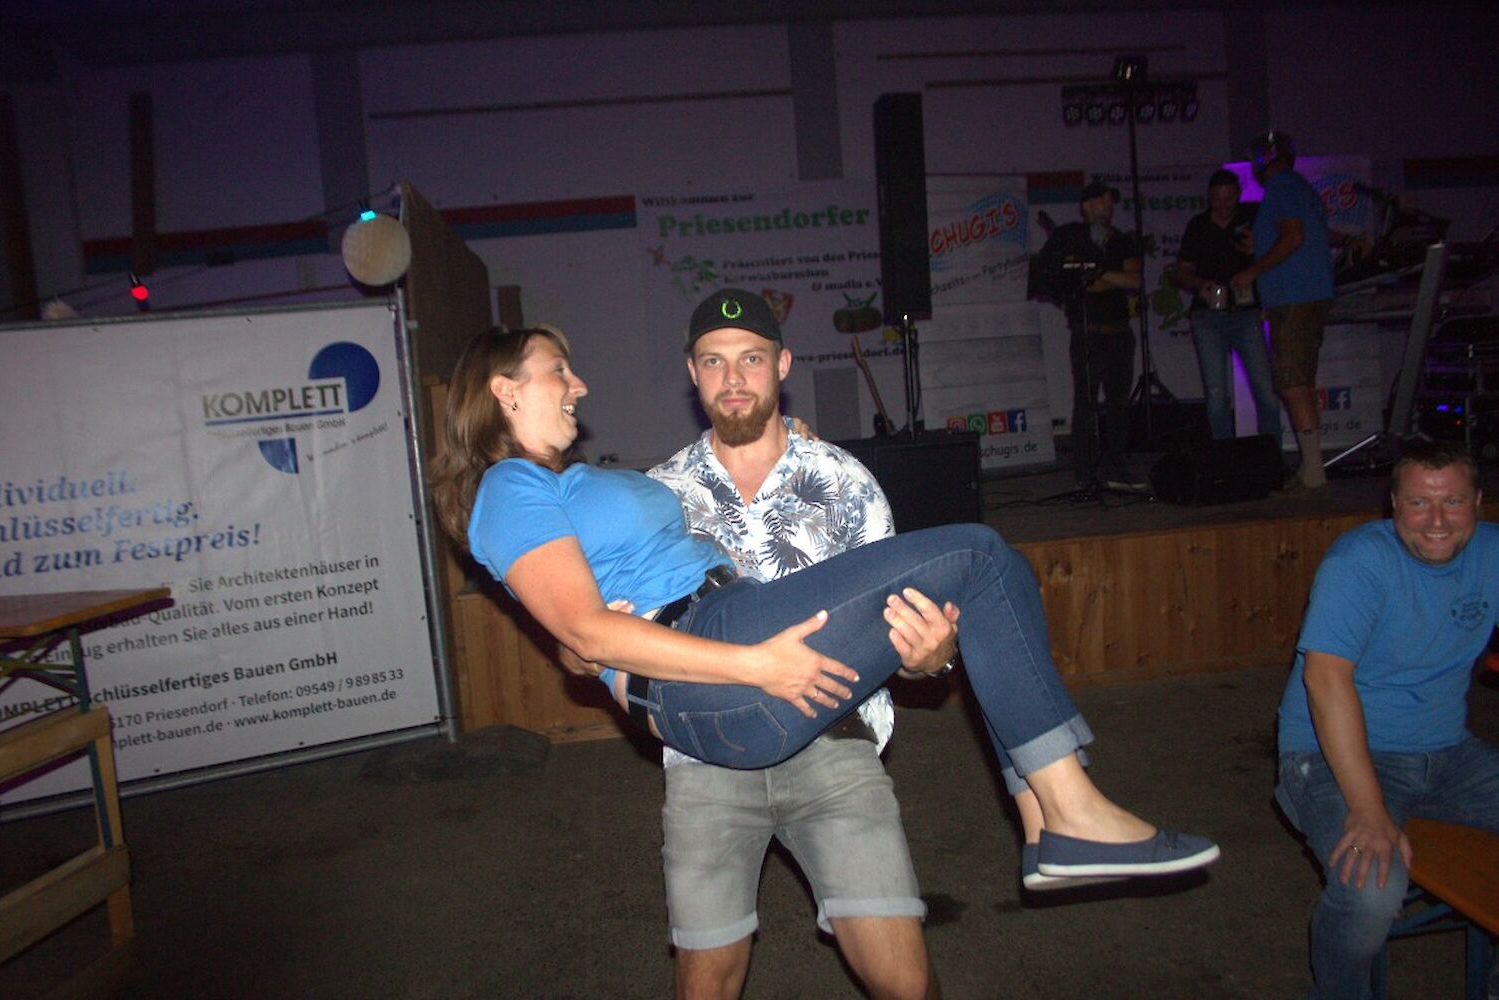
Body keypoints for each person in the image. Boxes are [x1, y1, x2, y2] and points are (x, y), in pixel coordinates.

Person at [428, 322, 1221, 890]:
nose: (578, 385)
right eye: (559, 371)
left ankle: (1047, 822)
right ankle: (1069, 815)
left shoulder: (567, 482)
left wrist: (788, 442)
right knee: (978, 554)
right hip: (717, 658)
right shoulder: (509, 486)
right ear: (505, 390)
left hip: (732, 634)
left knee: (992, 569)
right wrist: (753, 665)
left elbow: (590, 610)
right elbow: (583, 631)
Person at [634, 288, 952, 998]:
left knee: (905, 980)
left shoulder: (844, 484)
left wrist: (929, 659)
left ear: (782, 365)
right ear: (692, 373)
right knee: (704, 981)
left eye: (751, 359)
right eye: (713, 362)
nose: (733, 378)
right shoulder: (655, 500)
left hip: (833, 742)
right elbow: (621, 638)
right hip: (707, 755)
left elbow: (895, 627)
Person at [1273, 439, 1499, 999]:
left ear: (1477, 502)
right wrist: (1368, 808)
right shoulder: (1359, 562)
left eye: (1453, 502)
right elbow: (1326, 680)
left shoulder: (1493, 553)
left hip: (1448, 752)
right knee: (1371, 891)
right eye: (1419, 503)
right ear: (1394, 505)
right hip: (1333, 754)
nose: (1437, 521)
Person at [1230, 131, 1336, 495]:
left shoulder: (1281, 186)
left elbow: (1293, 236)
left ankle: (1314, 472)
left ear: (1263, 161)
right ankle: (1311, 466)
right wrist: (1259, 244)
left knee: (1292, 382)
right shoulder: (1300, 187)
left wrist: (1252, 271)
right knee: (1300, 380)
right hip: (1304, 295)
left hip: (1294, 296)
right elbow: (1312, 233)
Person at [1035, 180, 1145, 491]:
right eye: (1101, 201)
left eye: (1110, 202)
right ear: (1086, 205)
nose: (1107, 207)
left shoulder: (1120, 240)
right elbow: (1075, 282)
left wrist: (1097, 271)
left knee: (1118, 404)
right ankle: (1084, 471)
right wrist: (1100, 276)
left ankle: (1116, 466)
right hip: (1088, 333)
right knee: (1085, 403)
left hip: (1119, 333)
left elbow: (1134, 280)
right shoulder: (1071, 237)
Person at [1175, 169, 1282, 443]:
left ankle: (1270, 455)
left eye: (1228, 199)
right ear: (1209, 198)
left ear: (1238, 195)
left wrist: (1259, 248)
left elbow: (1284, 244)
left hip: (1246, 314)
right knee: (1216, 394)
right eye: (1217, 200)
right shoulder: (1198, 226)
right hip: (1208, 317)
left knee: (1265, 390)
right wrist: (1200, 285)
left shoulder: (1254, 216)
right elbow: (1182, 270)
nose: (1223, 206)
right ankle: (1225, 457)